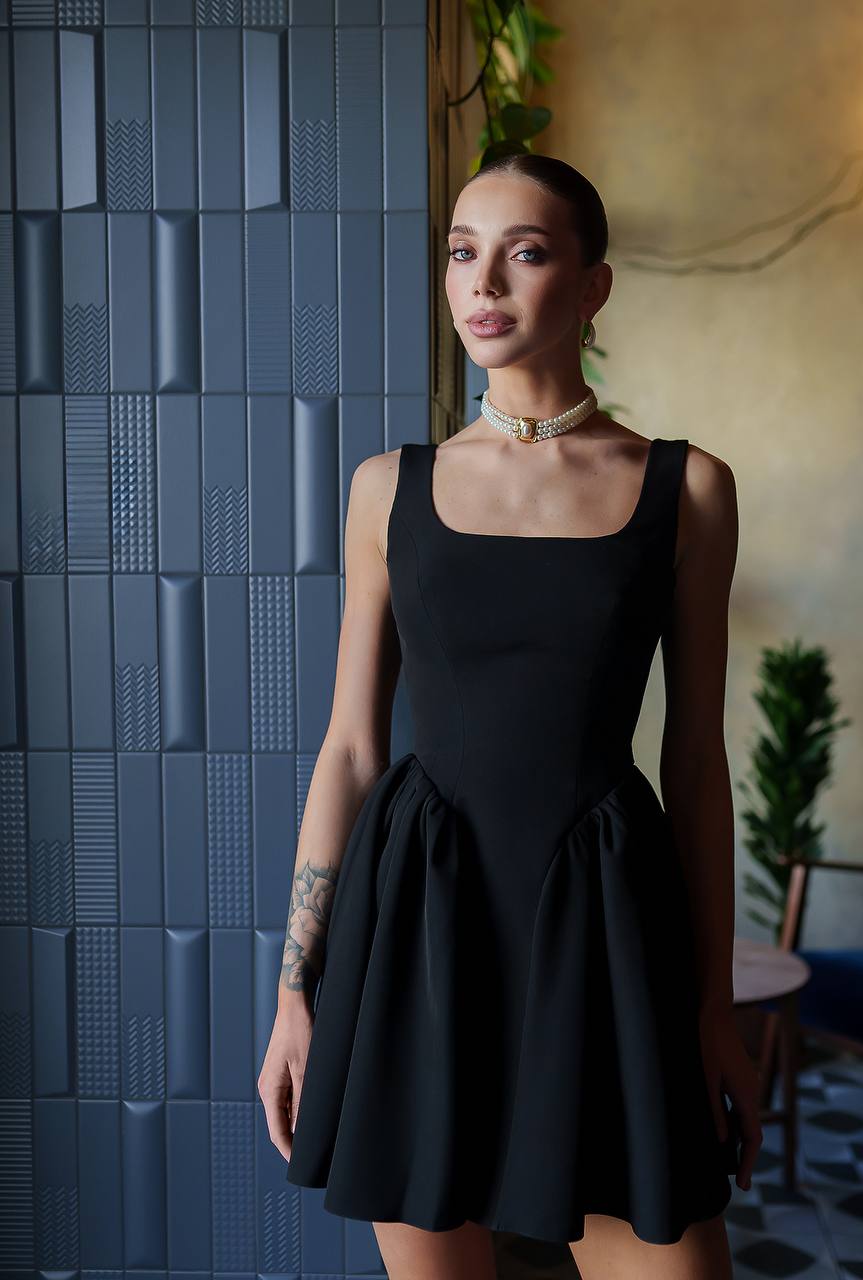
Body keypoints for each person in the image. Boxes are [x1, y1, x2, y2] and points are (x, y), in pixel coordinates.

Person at [258, 153, 762, 1280]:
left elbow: (695, 759)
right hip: (416, 931)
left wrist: (712, 1005)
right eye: (461, 251)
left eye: (524, 252)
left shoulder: (687, 489)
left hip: (605, 929)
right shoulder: (388, 486)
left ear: (591, 288)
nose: (482, 280)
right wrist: (296, 990)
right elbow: (350, 746)